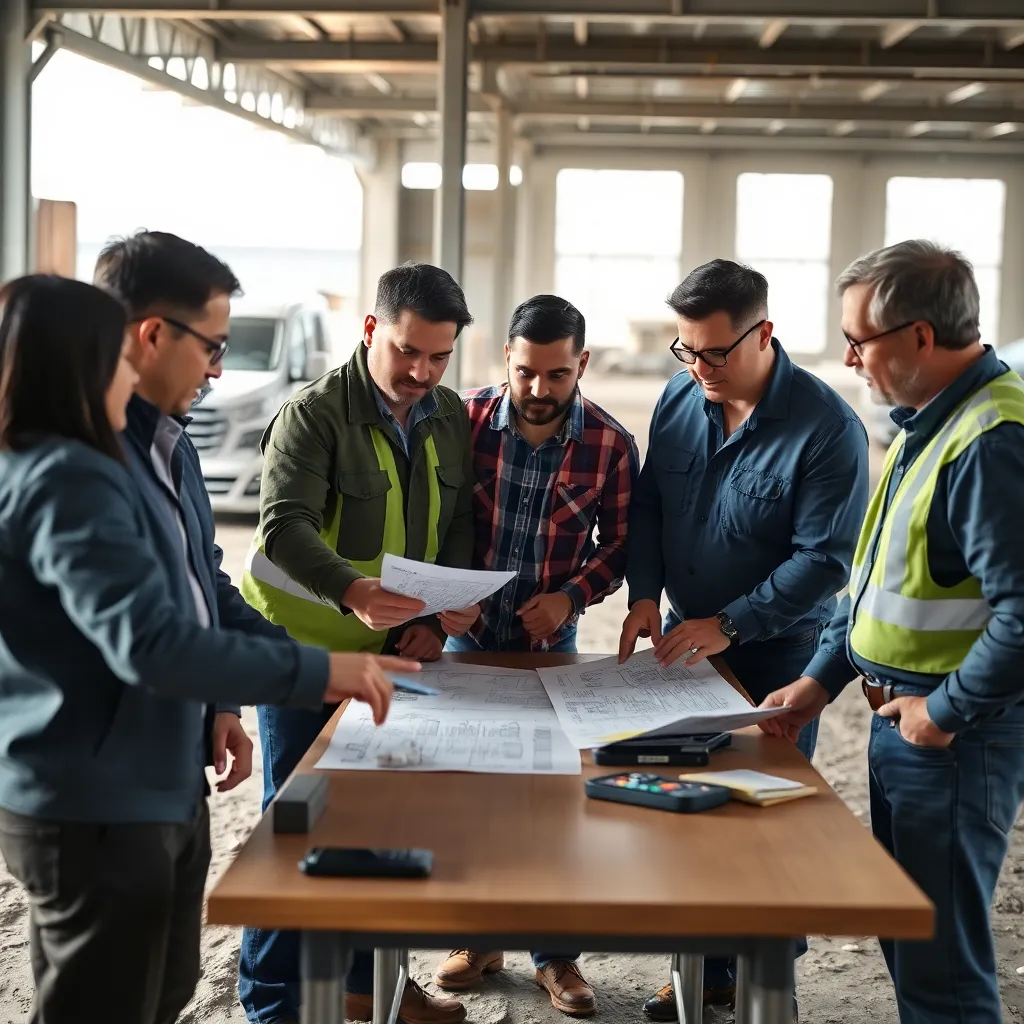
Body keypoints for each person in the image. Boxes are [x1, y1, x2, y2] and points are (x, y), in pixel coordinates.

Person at [0, 275, 415, 1024]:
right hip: (93, 794)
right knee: (100, 1003)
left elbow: (203, 592)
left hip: (154, 773)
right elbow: (152, 642)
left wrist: (226, 697)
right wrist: (320, 670)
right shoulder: (65, 476)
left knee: (159, 991)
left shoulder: (136, 453)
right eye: (117, 361)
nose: (130, 374)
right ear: (81, 365)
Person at [759, 240, 1024, 1024]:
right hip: (904, 725)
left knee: (942, 971)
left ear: (918, 336)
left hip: (952, 739)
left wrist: (939, 715)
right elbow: (876, 583)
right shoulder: (923, 423)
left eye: (859, 340)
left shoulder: (990, 441)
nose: (848, 359)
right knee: (912, 946)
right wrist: (819, 682)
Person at [618, 259, 870, 1021]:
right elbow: (652, 503)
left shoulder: (827, 430)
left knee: (764, 819)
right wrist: (643, 594)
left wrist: (728, 624)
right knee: (691, 806)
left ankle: (768, 983)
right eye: (686, 351)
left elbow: (823, 562)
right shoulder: (679, 396)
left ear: (765, 334)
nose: (700, 369)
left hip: (778, 652)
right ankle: (703, 970)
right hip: (687, 642)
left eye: (716, 353)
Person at [238, 262, 478, 1024]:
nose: (422, 371)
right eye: (409, 351)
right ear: (372, 329)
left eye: (439, 356)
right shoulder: (311, 416)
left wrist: (440, 614)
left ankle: (372, 988)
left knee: (383, 826)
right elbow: (284, 531)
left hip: (395, 655)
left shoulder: (444, 413)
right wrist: (355, 592)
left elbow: (455, 521)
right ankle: (273, 1004)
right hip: (307, 655)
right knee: (299, 829)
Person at [435, 294, 639, 1017]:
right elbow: (433, 519)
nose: (540, 390)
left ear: (581, 363)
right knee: (470, 795)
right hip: (465, 641)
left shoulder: (611, 446)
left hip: (552, 648)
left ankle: (557, 958)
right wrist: (438, 596)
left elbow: (620, 548)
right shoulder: (459, 422)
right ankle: (479, 938)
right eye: (526, 373)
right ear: (507, 361)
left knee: (553, 803)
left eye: (556, 375)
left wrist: (573, 597)